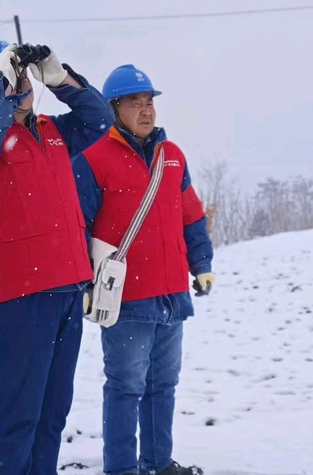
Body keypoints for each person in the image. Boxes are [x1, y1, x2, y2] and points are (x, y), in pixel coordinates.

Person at [0, 36, 115, 475]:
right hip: (19, 301)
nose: (7, 84)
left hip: (67, 292)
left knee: (50, 419)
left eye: (11, 73)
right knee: (14, 423)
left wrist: (60, 78)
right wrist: (3, 84)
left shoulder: (57, 133)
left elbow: (101, 121)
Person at [71, 64, 214, 475]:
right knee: (126, 388)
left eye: (149, 102)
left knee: (163, 386)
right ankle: (121, 469)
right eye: (135, 102)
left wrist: (200, 263)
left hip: (172, 294)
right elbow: (79, 225)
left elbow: (191, 214)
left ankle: (158, 463)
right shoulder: (93, 161)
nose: (146, 110)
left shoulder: (173, 157)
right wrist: (83, 281)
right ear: (115, 108)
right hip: (127, 299)